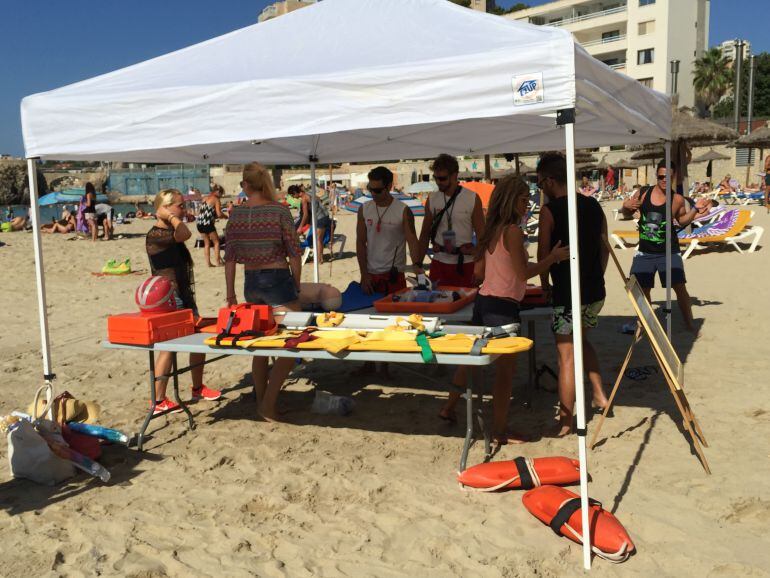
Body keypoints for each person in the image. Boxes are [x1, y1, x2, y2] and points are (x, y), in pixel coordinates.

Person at [438, 176, 569, 442]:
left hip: (484, 301)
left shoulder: (492, 229)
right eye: (524, 200)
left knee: (469, 361)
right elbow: (523, 274)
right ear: (512, 200)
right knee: (505, 375)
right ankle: (499, 430)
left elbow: (480, 272)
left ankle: (448, 408)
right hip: (503, 307)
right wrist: (552, 258)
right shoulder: (512, 231)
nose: (527, 205)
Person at [536, 153, 611, 437]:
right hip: (595, 290)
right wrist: (598, 275)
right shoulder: (593, 204)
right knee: (581, 340)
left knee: (565, 355)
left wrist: (544, 284)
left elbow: (543, 254)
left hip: (567, 293)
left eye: (540, 182)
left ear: (550, 180)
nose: (540, 188)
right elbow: (604, 246)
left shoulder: (549, 211)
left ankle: (566, 422)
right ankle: (599, 395)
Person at [224, 163, 301, 421]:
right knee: (292, 344)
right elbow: (294, 252)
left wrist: (230, 294)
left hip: (251, 282)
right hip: (276, 278)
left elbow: (230, 258)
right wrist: (297, 284)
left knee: (260, 344)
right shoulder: (279, 210)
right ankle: (267, 404)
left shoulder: (236, 214)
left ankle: (261, 400)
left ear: (245, 185)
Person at [146, 189, 221, 414]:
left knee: (199, 339)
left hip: (183, 294)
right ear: (165, 207)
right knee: (169, 347)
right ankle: (158, 400)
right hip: (170, 298)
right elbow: (186, 233)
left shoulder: (169, 231)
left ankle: (197, 387)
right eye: (179, 206)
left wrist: (171, 216)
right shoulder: (156, 235)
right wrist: (170, 216)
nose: (183, 209)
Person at [621, 160, 700, 334]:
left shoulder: (677, 199)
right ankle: (646, 324)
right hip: (645, 252)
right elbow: (627, 212)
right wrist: (624, 207)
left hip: (669, 252)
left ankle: (689, 325)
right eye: (661, 176)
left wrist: (695, 210)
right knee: (641, 290)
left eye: (668, 177)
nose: (664, 180)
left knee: (679, 287)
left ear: (674, 177)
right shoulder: (643, 193)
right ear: (656, 175)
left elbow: (682, 220)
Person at [418, 153, 484, 288]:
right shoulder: (432, 199)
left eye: (442, 178)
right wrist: (418, 264)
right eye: (435, 178)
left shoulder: (472, 198)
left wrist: (481, 267)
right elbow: (424, 234)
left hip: (465, 264)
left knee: (467, 301)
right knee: (438, 300)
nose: (438, 182)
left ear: (455, 175)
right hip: (439, 263)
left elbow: (482, 236)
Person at [357, 167, 421, 295]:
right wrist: (364, 274)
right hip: (370, 276)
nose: (373, 194)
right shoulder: (364, 209)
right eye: (370, 189)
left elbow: (413, 242)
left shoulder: (403, 211)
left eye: (377, 190)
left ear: (389, 186)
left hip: (394, 276)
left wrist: (418, 268)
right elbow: (360, 242)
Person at [293, 183, 332, 264]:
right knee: (319, 239)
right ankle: (320, 258)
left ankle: (318, 260)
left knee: (318, 239)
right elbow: (319, 199)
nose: (293, 197)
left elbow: (305, 215)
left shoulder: (304, 198)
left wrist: (300, 227)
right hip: (325, 215)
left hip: (320, 218)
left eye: (292, 195)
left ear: (295, 193)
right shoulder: (310, 192)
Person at [197, 184, 226, 267]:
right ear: (218, 192)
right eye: (221, 194)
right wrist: (225, 216)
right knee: (216, 242)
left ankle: (208, 263)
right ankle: (218, 262)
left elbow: (201, 211)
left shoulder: (205, 198)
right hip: (208, 224)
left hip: (199, 223)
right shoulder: (216, 199)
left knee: (207, 244)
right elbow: (219, 214)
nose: (221, 196)